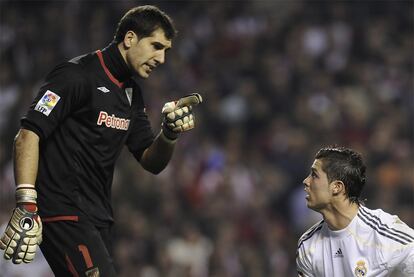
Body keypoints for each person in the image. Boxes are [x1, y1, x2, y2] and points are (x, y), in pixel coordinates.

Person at [0, 5, 202, 276]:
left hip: (99, 218)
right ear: (130, 39)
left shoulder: (131, 94)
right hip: (63, 212)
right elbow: (27, 135)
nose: (161, 58)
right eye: (156, 46)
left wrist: (169, 134)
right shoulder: (75, 75)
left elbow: (150, 161)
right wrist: (26, 204)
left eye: (165, 50)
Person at [296, 146, 414, 277]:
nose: (306, 181)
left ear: (337, 187)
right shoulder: (307, 246)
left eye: (314, 175)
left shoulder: (385, 234)